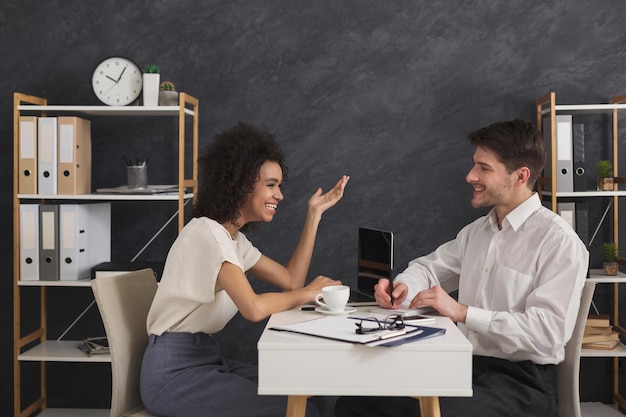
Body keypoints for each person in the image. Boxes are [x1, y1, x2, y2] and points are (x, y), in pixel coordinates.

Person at [335, 119, 589, 417]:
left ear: (521, 176)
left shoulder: (559, 242)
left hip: (521, 383)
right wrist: (403, 288)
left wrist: (462, 312)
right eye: (474, 165)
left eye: (484, 168)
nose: (470, 176)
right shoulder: (476, 233)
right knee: (355, 405)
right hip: (461, 368)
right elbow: (428, 270)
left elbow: (547, 333)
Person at [140, 122, 350, 417]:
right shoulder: (208, 234)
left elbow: (290, 280)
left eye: (279, 185)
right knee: (303, 411)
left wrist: (314, 214)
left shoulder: (233, 241)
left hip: (206, 360)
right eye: (270, 185)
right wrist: (309, 293)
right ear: (241, 183)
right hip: (174, 374)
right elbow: (253, 308)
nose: (280, 195)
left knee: (312, 399)